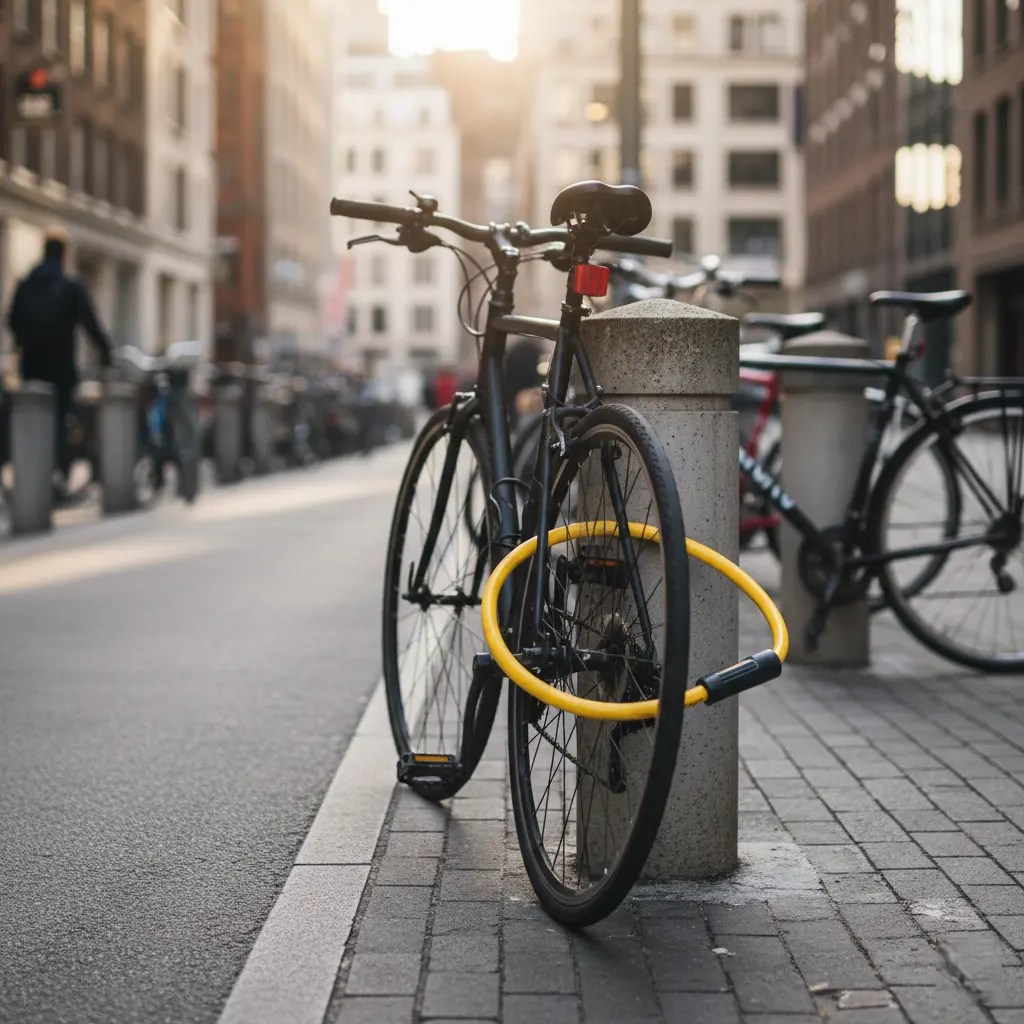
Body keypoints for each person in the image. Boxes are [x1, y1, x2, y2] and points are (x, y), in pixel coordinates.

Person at [7, 226, 111, 497]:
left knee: (31, 418)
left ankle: (30, 474)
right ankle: (56, 474)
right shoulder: (71, 286)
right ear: (64, 254)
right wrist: (107, 354)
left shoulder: (26, 284)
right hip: (61, 367)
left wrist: (24, 344)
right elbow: (92, 325)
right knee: (60, 420)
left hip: (31, 365)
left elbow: (12, 322)